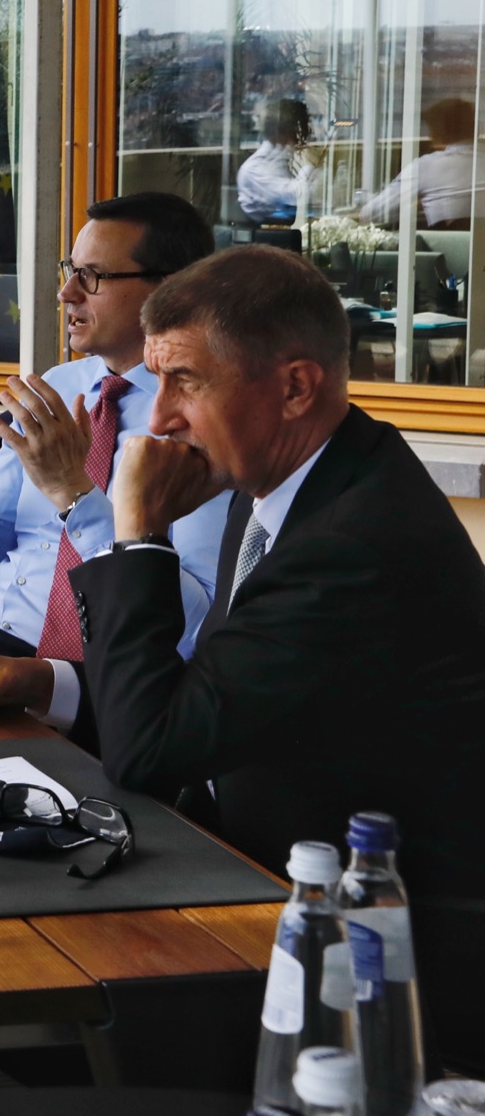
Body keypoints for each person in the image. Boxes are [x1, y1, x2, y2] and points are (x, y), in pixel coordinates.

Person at [66, 246, 485, 1066]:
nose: (160, 419)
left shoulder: (353, 543)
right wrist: (49, 684)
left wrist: (138, 533)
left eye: (186, 381)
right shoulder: (289, 479)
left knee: (39, 1021)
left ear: (295, 387)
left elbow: (151, 748)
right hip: (255, 877)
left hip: (373, 968)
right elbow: (216, 693)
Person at [0, 192, 228, 748]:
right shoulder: (59, 388)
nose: (66, 293)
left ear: (170, 291)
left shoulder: (201, 421)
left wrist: (76, 493)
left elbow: (191, 623)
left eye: (92, 277)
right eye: (70, 270)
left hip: (99, 690)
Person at [358, 97, 481, 231]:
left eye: (431, 128)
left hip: (445, 244)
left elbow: (373, 212)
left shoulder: (427, 167)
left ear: (443, 130)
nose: (430, 135)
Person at [236, 97, 319, 224]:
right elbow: (297, 196)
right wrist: (311, 165)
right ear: (285, 130)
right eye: (301, 127)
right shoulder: (254, 169)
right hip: (272, 233)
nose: (308, 133)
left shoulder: (283, 156)